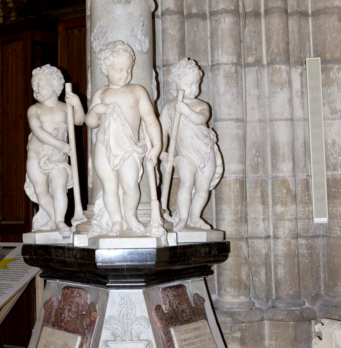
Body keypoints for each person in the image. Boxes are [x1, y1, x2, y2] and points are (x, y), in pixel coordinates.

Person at [85, 41, 161, 235]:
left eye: (128, 69)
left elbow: (150, 120)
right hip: (104, 147)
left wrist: (156, 146)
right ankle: (116, 221)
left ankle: (130, 215)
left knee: (130, 184)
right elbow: (90, 122)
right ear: (105, 68)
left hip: (129, 148)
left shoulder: (137, 91)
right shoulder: (100, 93)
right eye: (118, 69)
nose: (124, 74)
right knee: (109, 185)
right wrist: (96, 110)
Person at [160, 58, 223, 231]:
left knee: (203, 187)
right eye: (189, 85)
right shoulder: (169, 108)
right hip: (184, 155)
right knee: (186, 183)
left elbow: (201, 119)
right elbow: (161, 133)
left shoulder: (201, 105)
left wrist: (187, 111)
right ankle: (183, 217)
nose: (194, 89)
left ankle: (195, 217)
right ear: (176, 84)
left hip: (205, 150)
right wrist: (162, 152)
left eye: (197, 84)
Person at [24, 64, 84, 235]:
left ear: (54, 84)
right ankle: (54, 218)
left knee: (59, 185)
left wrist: (77, 103)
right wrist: (60, 144)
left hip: (58, 158)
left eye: (39, 84)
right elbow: (38, 131)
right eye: (33, 86)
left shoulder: (64, 108)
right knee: (40, 190)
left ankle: (59, 221)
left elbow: (79, 121)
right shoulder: (34, 109)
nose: (35, 89)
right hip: (36, 156)